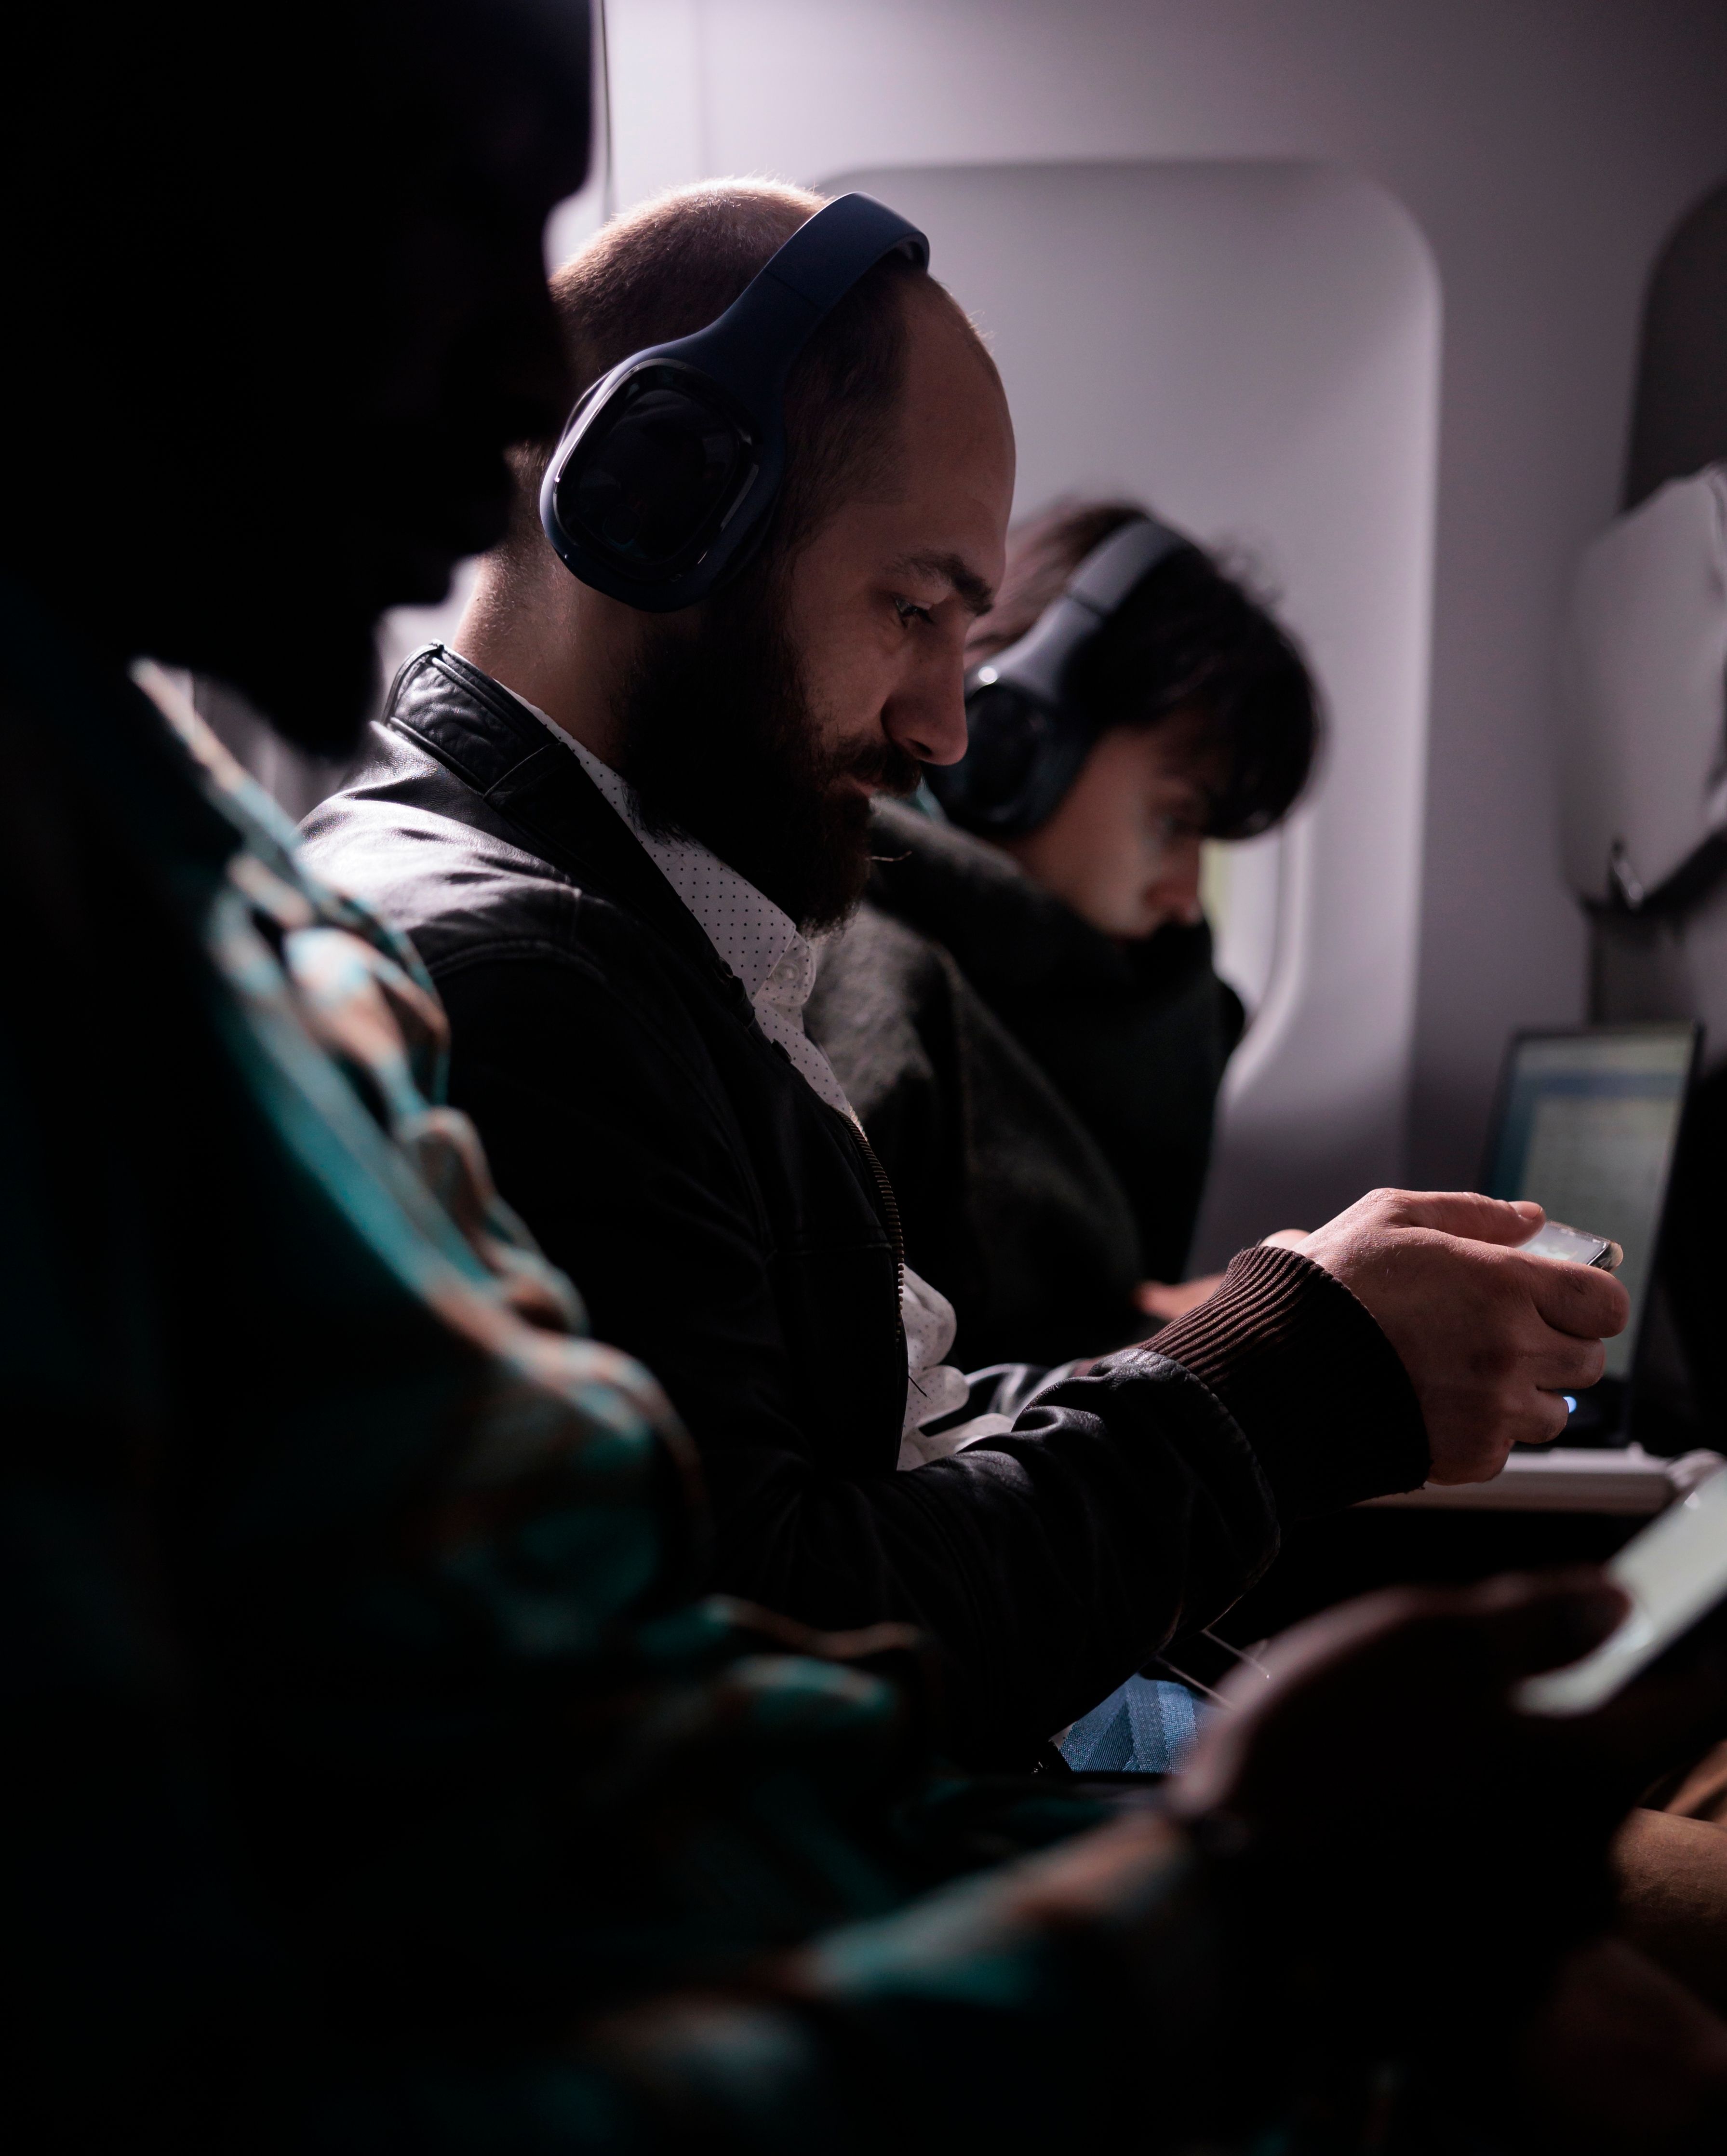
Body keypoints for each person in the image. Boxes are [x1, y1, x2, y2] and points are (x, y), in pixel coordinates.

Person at [8, 18, 1727, 2156]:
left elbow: (675, 1672)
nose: (516, 386)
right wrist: (1250, 1896)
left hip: (920, 1944)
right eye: (439, 195)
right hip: (862, 2146)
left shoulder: (235, 899)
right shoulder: (355, 963)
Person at [304, 179, 1628, 1767]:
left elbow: (850, 1445)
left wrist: (1267, 1344)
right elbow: (776, 1656)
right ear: (662, 505)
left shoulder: (645, 923)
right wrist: (1282, 1382)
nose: (945, 725)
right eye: (912, 605)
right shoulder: (525, 980)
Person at [806, 498, 1317, 1364]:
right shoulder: (864, 979)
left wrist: (1152, 1327)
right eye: (1175, 822)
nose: (1187, 898)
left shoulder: (1149, 1012)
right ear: (1019, 745)